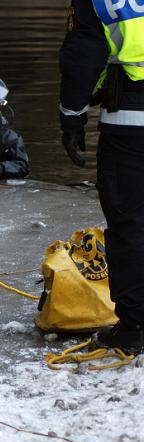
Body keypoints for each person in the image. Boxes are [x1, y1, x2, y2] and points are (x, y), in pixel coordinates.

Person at [59, 0, 144, 354]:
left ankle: (135, 327)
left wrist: (72, 116)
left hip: (130, 127)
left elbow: (83, 60)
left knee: (131, 225)